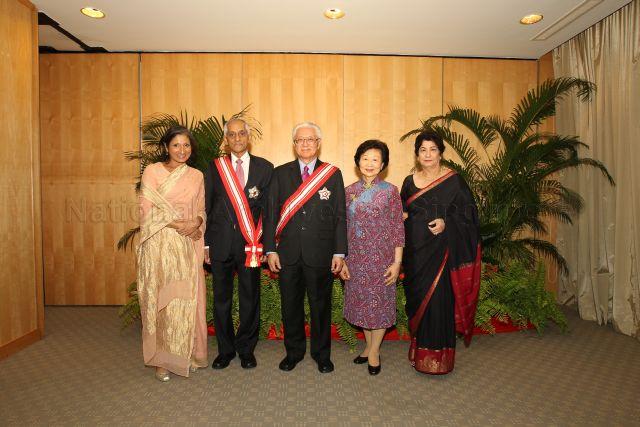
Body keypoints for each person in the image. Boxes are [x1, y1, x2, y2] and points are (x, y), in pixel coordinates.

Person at [264, 122, 347, 374]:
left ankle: (322, 355)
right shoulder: (280, 173)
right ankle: (294, 352)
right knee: (291, 305)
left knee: (320, 306)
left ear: (319, 143)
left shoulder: (332, 174)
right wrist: (270, 250)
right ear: (294, 144)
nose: (306, 144)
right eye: (300, 140)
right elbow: (270, 215)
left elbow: (340, 216)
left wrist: (339, 252)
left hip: (320, 253)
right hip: (287, 253)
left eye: (311, 139)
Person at [400, 131, 481, 375]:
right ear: (416, 154)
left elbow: (469, 216)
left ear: (441, 152)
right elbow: (402, 214)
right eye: (422, 150)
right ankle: (419, 351)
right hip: (416, 254)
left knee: (439, 303)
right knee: (419, 303)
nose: (427, 154)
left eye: (433, 149)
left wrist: (447, 222)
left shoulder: (454, 181)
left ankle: (439, 359)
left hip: (442, 254)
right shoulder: (408, 181)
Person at [137, 126, 208, 382]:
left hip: (187, 246)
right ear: (166, 147)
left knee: (188, 299)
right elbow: (147, 209)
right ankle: (163, 360)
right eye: (176, 145)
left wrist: (198, 221)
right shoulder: (153, 171)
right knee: (165, 301)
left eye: (187, 145)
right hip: (160, 245)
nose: (182, 150)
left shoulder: (197, 175)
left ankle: (190, 354)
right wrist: (183, 225)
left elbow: (201, 208)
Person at [204, 118, 273, 370]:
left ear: (249, 136)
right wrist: (207, 245)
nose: (237, 139)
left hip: (250, 246)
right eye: (231, 135)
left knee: (249, 298)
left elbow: (269, 210)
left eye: (241, 133)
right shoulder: (214, 168)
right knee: (221, 299)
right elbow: (207, 207)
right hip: (221, 244)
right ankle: (225, 350)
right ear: (226, 139)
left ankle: (246, 349)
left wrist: (267, 245)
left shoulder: (265, 168)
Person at [339, 140, 404, 376]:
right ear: (358, 162)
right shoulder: (348, 192)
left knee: (379, 306)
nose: (369, 163)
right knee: (362, 306)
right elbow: (342, 229)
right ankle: (368, 347)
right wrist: (343, 259)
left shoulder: (390, 191)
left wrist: (397, 263)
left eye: (375, 159)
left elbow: (398, 228)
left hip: (382, 259)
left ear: (383, 164)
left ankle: (374, 351)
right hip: (356, 259)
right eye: (365, 158)